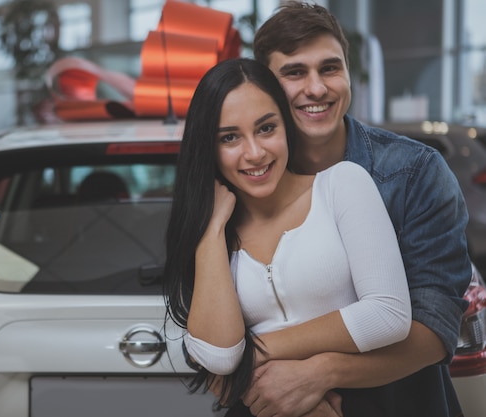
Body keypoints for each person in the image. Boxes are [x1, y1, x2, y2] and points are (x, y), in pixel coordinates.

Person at [242, 2, 473, 416]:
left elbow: (435, 329)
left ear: (349, 73)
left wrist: (321, 372)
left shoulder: (415, 173)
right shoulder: (247, 182)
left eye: (330, 68)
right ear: (266, 87)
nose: (317, 88)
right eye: (295, 72)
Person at [162, 57, 413, 416]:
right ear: (209, 149)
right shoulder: (212, 233)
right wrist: (212, 228)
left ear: (286, 126)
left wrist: (259, 353)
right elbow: (219, 355)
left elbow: (388, 315)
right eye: (230, 137)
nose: (254, 152)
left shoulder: (341, 185)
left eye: (266, 128)